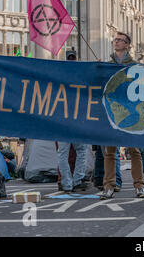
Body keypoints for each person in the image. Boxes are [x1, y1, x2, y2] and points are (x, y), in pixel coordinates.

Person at [100, 31, 144, 199]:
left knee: (134, 150)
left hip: (130, 111)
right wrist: (98, 70)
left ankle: (139, 185)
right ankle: (109, 185)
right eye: (115, 40)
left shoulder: (134, 65)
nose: (116, 42)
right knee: (110, 151)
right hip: (112, 111)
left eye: (120, 40)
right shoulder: (107, 64)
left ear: (127, 45)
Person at [57, 49, 90, 193]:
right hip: (76, 121)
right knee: (81, 150)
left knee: (64, 153)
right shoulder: (80, 76)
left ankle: (68, 182)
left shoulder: (58, 77)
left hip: (63, 121)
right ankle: (76, 180)